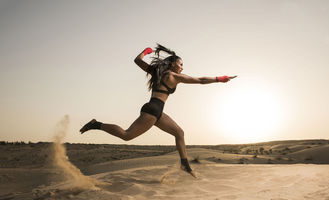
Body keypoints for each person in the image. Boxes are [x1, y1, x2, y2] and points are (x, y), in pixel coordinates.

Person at [80, 44, 236, 177]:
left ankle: (185, 165)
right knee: (126, 135)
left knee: (179, 133)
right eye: (180, 64)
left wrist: (146, 51)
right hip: (153, 111)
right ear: (173, 64)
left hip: (156, 111)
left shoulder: (157, 72)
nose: (182, 67)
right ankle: (96, 124)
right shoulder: (173, 76)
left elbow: (137, 61)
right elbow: (201, 80)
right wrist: (220, 79)